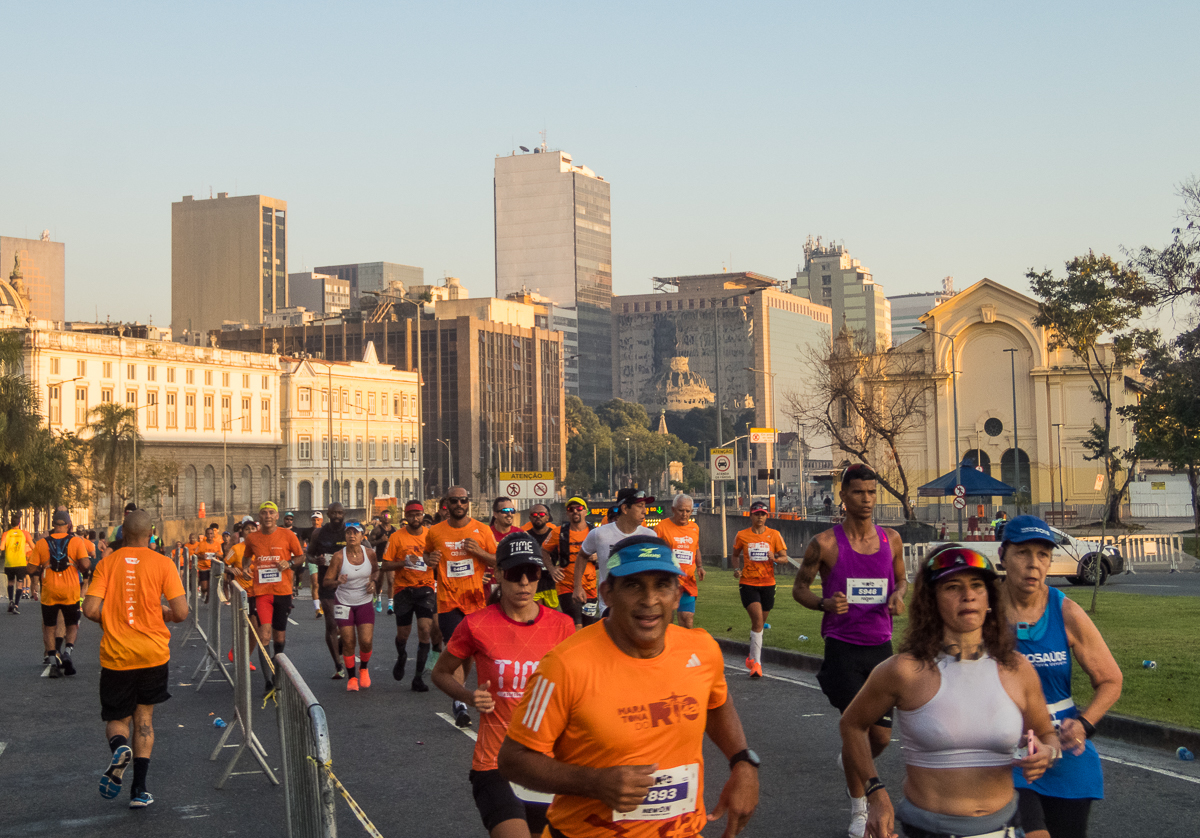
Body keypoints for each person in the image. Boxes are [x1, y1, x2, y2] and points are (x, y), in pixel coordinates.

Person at [498, 534, 760, 838]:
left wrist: (742, 761)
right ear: (607, 593)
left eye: (662, 585)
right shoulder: (563, 666)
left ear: (678, 594)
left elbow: (715, 702)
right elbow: (513, 760)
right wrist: (594, 782)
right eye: (634, 585)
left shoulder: (700, 650)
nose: (649, 600)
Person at [840, 544, 1060, 838]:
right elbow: (851, 725)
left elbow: (1047, 736)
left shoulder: (1017, 669)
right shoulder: (902, 671)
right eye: (952, 587)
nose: (968, 595)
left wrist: (1047, 752)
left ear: (990, 599)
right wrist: (875, 794)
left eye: (977, 586)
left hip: (1007, 827)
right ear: (932, 601)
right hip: (929, 829)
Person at [432, 532, 575, 838]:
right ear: (497, 574)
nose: (524, 582)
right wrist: (470, 697)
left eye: (532, 573)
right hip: (494, 762)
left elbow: (579, 688)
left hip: (545, 763)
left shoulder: (562, 626)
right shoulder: (476, 624)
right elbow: (441, 673)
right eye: (514, 573)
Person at [793, 463, 906, 837]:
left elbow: (902, 578)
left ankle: (851, 762)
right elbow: (800, 589)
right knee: (855, 728)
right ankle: (860, 810)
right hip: (842, 648)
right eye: (859, 492)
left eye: (872, 492)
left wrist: (898, 595)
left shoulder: (892, 540)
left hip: (881, 648)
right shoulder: (824, 543)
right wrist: (823, 604)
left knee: (882, 737)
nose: (867, 500)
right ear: (843, 496)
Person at [997, 516, 1122, 838]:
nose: (1033, 564)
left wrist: (1084, 724)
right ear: (1003, 555)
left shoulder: (1066, 612)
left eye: (1042, 555)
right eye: (1023, 553)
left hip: (1062, 754)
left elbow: (1111, 679)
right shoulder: (982, 610)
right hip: (1005, 756)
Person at [83, 510, 188, 809]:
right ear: (150, 535)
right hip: (153, 653)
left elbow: (90, 609)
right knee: (145, 719)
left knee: (118, 719)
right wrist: (162, 613)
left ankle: (120, 747)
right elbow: (180, 612)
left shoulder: (107, 563)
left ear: (122, 535)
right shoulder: (163, 563)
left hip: (117, 655)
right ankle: (139, 790)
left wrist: (113, 620)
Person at [424, 486, 498, 727]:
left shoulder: (483, 530)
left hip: (476, 601)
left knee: (468, 654)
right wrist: (429, 560)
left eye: (463, 500)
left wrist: (478, 552)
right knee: (457, 647)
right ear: (446, 503)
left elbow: (499, 561)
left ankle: (460, 692)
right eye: (454, 500)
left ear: (469, 502)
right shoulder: (435, 531)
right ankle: (460, 702)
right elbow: (427, 555)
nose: (459, 504)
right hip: (448, 602)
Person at [239, 501, 306, 692]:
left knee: (279, 638)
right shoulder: (252, 538)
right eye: (264, 513)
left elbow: (301, 556)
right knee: (264, 636)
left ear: (277, 516)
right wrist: (245, 568)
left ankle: (277, 670)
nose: (267, 516)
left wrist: (290, 563)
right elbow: (246, 556)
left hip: (283, 592)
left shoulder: (288, 535)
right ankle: (269, 680)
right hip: (262, 593)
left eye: (271, 513)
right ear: (259, 517)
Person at [29, 510, 94, 677]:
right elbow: (86, 565)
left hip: (49, 591)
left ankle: (53, 661)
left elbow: (30, 568)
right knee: (72, 624)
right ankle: (67, 652)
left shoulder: (42, 543)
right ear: (68, 525)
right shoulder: (76, 542)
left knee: (50, 627)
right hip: (70, 591)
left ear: (53, 525)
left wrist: (42, 567)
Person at [381, 500, 436, 692]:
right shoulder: (397, 537)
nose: (415, 517)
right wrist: (404, 562)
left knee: (425, 629)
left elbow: (440, 559)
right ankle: (402, 655)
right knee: (403, 634)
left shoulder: (431, 536)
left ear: (423, 515)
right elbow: (385, 565)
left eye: (418, 514)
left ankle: (418, 678)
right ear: (406, 516)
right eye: (411, 514)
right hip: (403, 589)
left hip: (426, 588)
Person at [732, 499, 789, 678]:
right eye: (757, 514)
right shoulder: (742, 535)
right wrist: (736, 569)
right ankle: (757, 665)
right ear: (751, 515)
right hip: (748, 583)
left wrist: (775, 558)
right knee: (757, 622)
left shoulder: (774, 535)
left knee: (759, 625)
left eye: (763, 514)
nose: (760, 517)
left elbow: (785, 558)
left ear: (767, 516)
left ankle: (752, 656)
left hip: (768, 584)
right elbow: (734, 555)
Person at [576, 488, 656, 613]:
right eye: (640, 506)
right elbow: (582, 555)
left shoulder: (650, 536)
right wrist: (577, 586)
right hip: (610, 606)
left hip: (640, 606)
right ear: (624, 509)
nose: (645, 511)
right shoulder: (599, 534)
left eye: (645, 506)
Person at [323, 522, 381, 692]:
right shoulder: (338, 557)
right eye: (348, 533)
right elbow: (326, 582)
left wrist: (373, 581)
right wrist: (337, 581)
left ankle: (363, 668)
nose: (352, 536)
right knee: (348, 641)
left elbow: (376, 571)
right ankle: (352, 677)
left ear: (363, 536)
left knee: (366, 641)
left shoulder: (369, 553)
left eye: (356, 533)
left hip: (364, 601)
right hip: (344, 602)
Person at [307, 503, 350, 677]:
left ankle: (341, 645)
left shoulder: (350, 531)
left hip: (348, 583)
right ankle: (338, 665)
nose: (337, 515)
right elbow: (308, 554)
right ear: (328, 514)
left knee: (345, 624)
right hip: (328, 583)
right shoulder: (319, 533)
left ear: (344, 513)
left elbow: (367, 550)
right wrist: (315, 560)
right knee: (331, 622)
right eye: (334, 513)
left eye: (340, 512)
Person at [543, 498, 596, 628]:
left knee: (588, 626)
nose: (575, 512)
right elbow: (544, 551)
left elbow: (606, 553)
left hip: (590, 586)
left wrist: (597, 556)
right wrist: (551, 569)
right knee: (576, 624)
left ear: (586, 511)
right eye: (570, 509)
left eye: (579, 508)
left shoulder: (594, 532)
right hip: (566, 585)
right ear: (567, 513)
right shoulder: (558, 532)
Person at [655, 493, 705, 629]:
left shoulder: (694, 528)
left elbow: (696, 548)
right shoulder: (661, 527)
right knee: (667, 621)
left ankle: (686, 649)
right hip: (668, 581)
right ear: (673, 509)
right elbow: (655, 552)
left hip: (688, 581)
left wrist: (700, 566)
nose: (684, 514)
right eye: (681, 510)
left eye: (688, 511)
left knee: (687, 619)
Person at [522, 503, 560, 609]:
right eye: (534, 514)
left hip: (551, 583)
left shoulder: (555, 535)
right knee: (536, 617)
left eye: (542, 514)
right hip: (532, 583)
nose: (538, 516)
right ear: (530, 517)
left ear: (547, 517)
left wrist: (558, 567)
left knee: (552, 618)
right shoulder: (525, 536)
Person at [4, 515, 33, 614]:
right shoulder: (25, 533)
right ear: (19, 523)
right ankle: (16, 605)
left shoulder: (6, 534)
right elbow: (33, 546)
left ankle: (10, 601)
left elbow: (1, 547)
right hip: (21, 563)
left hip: (9, 563)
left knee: (10, 582)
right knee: (19, 584)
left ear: (10, 523)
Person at [369, 511, 397, 613]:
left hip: (390, 558)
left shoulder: (394, 530)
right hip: (380, 558)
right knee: (379, 582)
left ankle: (390, 605)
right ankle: (379, 599)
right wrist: (381, 540)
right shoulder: (377, 530)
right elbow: (370, 542)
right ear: (381, 518)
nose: (387, 517)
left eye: (389, 515)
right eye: (384, 516)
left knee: (391, 581)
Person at [197, 523, 222, 604]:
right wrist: (201, 556)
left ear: (213, 534)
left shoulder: (217, 544)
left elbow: (221, 555)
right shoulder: (201, 544)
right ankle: (204, 592)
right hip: (203, 567)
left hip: (213, 568)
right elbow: (195, 554)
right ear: (206, 534)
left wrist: (218, 555)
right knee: (204, 587)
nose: (210, 535)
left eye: (211, 533)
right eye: (208, 533)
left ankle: (208, 596)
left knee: (211, 585)